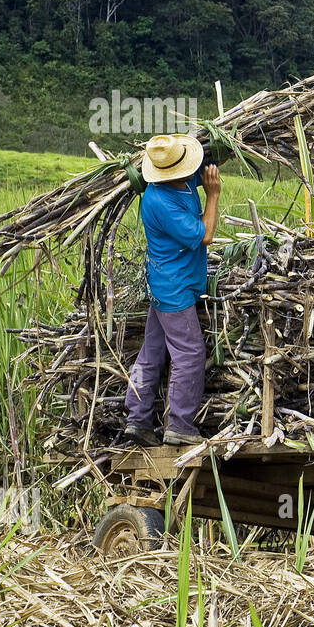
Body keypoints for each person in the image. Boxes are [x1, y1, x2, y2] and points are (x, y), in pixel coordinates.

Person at [123, 134, 221, 446]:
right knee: (190, 353)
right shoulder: (158, 201)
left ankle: (137, 418)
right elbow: (205, 234)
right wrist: (214, 195)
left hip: (169, 283)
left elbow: (205, 166)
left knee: (151, 352)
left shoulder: (183, 177)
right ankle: (180, 425)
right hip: (172, 290)